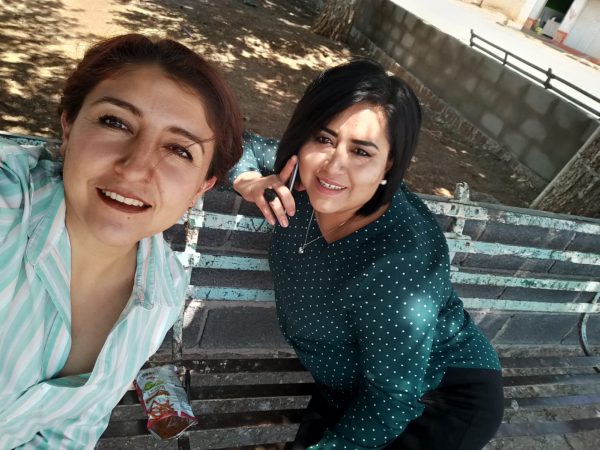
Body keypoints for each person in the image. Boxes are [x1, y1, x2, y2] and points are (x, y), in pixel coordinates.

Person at [230, 59, 503, 449]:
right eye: (323, 139)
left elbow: (392, 399)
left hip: (435, 398)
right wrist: (248, 180)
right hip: (350, 382)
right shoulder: (298, 177)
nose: (333, 166)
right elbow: (241, 145)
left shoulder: (399, 262)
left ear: (389, 164)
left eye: (360, 151)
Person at [0, 34, 242, 448]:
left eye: (179, 149)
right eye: (115, 122)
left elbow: (71, 431)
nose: (135, 169)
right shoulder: (9, 204)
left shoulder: (164, 290)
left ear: (201, 187)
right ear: (69, 125)